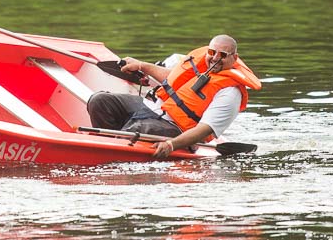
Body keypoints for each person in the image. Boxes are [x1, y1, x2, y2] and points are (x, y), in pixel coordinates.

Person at [86, 34, 260, 158]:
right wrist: (141, 65)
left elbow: (204, 130)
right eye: (212, 52)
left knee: (135, 130)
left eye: (222, 55)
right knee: (100, 101)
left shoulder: (230, 93)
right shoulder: (202, 66)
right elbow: (172, 79)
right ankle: (109, 146)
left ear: (234, 58)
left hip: (175, 126)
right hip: (151, 107)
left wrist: (172, 144)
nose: (215, 58)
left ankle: (111, 155)